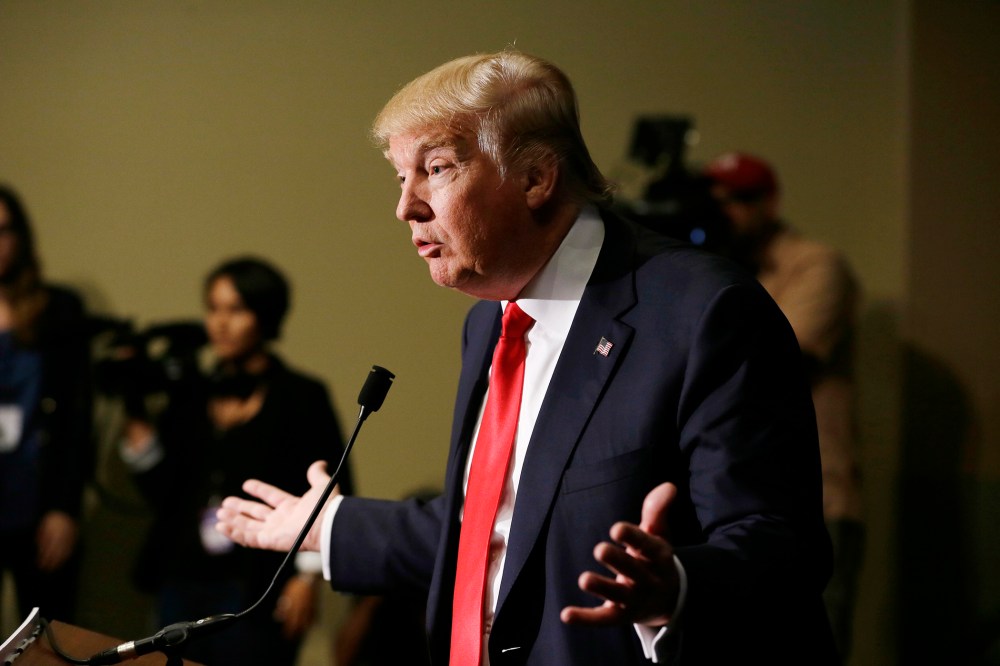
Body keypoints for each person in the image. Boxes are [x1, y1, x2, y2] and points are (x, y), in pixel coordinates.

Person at [216, 51, 837, 665]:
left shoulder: (702, 311)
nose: (405, 206)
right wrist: (331, 528)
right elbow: (501, 528)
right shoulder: (489, 320)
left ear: (537, 178)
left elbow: (782, 548)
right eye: (400, 177)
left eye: (436, 168)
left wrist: (673, 587)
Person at [119, 257, 352, 666]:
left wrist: (306, 578)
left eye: (236, 309)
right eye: (213, 308)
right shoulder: (191, 392)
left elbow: (328, 487)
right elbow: (167, 492)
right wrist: (139, 435)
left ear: (265, 315)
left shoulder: (301, 396)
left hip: (257, 583)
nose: (220, 323)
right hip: (182, 574)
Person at [704, 151, 864, 660]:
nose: (728, 211)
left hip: (816, 501)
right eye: (717, 201)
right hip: (733, 505)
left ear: (768, 203)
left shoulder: (816, 264)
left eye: (741, 199)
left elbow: (772, 359)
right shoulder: (712, 270)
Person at [0, 184, 93, 625]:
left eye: (3, 231)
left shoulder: (58, 310)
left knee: (45, 636)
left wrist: (64, 507)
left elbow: (77, 415)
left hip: (37, 499)